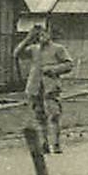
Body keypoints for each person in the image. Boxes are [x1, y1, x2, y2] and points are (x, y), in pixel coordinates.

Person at [14, 23, 74, 153]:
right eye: (39, 35)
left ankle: (56, 144)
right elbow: (17, 54)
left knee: (54, 115)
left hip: (51, 87)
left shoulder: (58, 49)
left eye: (44, 34)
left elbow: (69, 64)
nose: (42, 37)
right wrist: (28, 38)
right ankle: (44, 144)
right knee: (39, 116)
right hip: (35, 87)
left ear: (49, 34)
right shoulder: (34, 49)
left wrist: (53, 69)